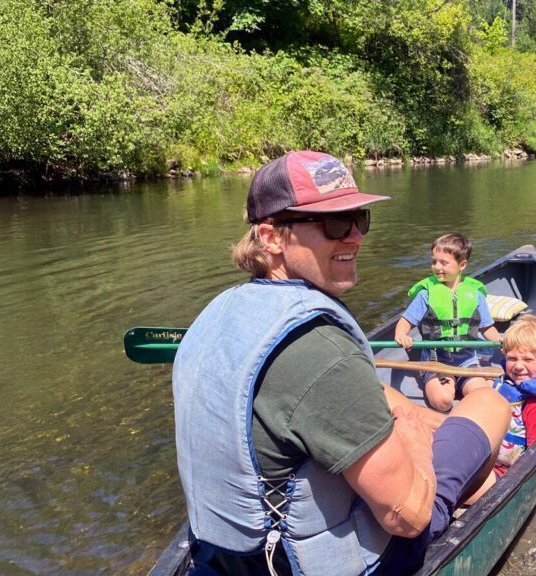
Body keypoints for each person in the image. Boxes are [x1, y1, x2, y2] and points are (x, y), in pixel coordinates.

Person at [171, 150, 510, 576]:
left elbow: (362, 392)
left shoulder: (216, 313)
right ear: (272, 236)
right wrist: (415, 440)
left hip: (229, 556)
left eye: (359, 218)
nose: (354, 236)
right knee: (490, 408)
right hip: (325, 564)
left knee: (423, 419)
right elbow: (407, 517)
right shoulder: (321, 350)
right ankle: (481, 479)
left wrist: (419, 420)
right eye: (335, 224)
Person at [393, 233, 502, 412]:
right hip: (436, 361)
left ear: (462, 265)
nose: (437, 267)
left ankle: (463, 386)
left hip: (466, 360)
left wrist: (500, 341)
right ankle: (445, 384)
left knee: (483, 396)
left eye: (443, 263)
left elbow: (487, 327)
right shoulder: (426, 294)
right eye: (434, 261)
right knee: (443, 401)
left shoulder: (475, 295)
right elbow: (405, 321)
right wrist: (401, 334)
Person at [465, 315, 536, 504]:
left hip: (504, 475)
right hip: (487, 459)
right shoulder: (505, 385)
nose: (518, 366)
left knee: (456, 490)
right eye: (512, 358)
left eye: (528, 359)